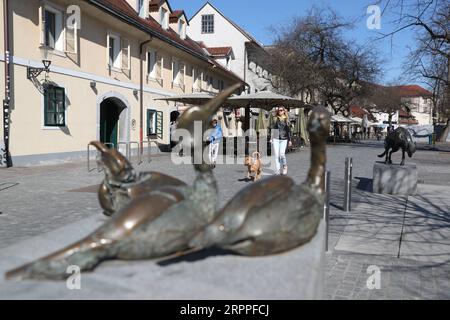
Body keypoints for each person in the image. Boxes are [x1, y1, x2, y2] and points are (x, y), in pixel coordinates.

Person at [270, 106, 292, 175]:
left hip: (284, 139)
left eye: (281, 110)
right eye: (279, 110)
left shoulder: (287, 120)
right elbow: (273, 129)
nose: (280, 111)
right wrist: (271, 138)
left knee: (282, 154)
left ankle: (285, 166)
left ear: (284, 111)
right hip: (276, 139)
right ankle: (278, 169)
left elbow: (288, 131)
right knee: (276, 155)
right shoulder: (275, 119)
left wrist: (290, 140)